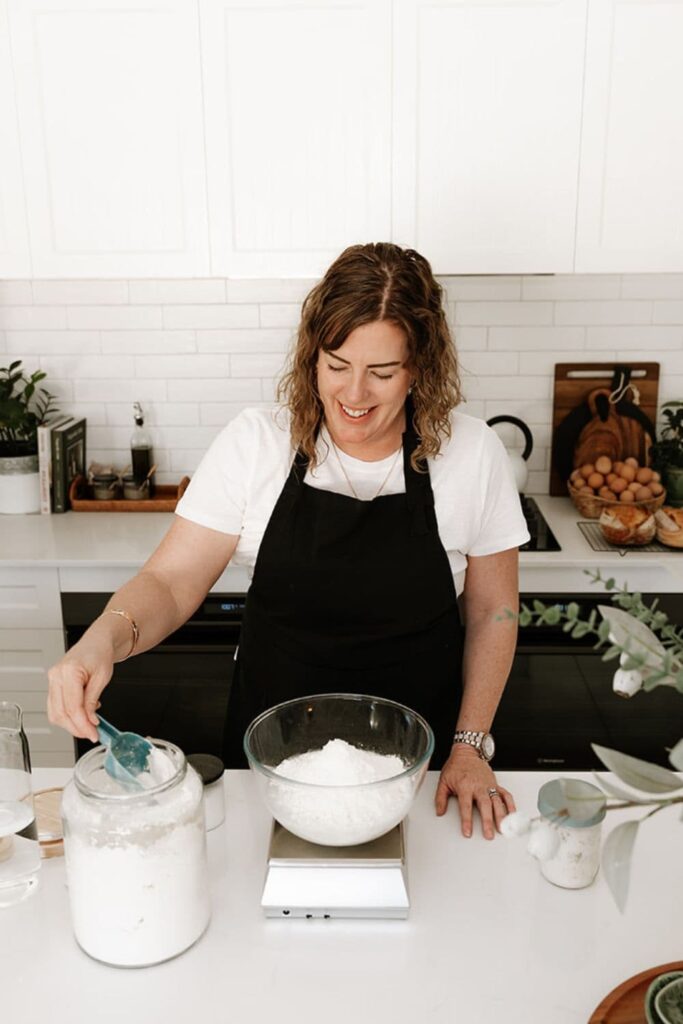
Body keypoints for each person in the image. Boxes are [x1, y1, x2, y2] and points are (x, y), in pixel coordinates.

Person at [47, 242, 530, 840]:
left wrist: (470, 744)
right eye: (336, 365)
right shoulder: (257, 444)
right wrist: (101, 641)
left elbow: (493, 611)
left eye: (381, 372)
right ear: (312, 358)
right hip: (270, 768)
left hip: (421, 773)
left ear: (420, 369)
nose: (354, 395)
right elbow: (171, 584)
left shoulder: (473, 452)